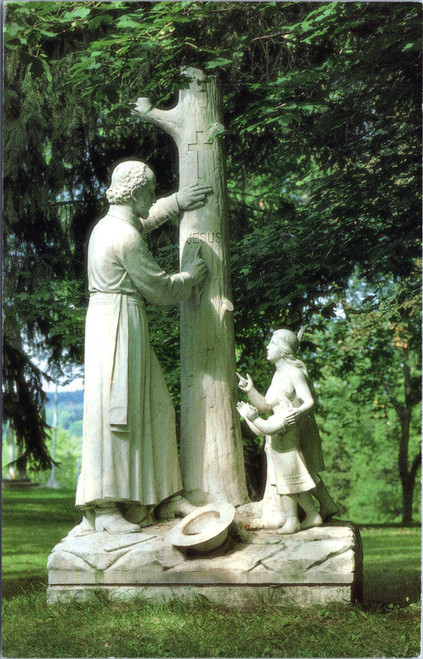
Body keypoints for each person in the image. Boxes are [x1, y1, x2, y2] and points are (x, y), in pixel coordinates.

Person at [72, 160, 212, 534]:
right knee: (115, 415)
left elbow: (144, 221)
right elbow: (160, 289)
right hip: (116, 326)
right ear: (134, 193)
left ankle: (159, 496)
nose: (152, 198)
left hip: (120, 322)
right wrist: (192, 277)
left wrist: (175, 202)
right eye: (150, 192)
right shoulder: (122, 236)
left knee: (155, 408)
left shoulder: (112, 226)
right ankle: (104, 508)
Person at [237, 329, 338, 533]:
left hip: (294, 427)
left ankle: (308, 513)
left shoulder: (294, 373)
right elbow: (266, 406)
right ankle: (318, 509)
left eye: (272, 344)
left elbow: (309, 400)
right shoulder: (278, 374)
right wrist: (250, 391)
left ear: (283, 350)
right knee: (296, 474)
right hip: (281, 427)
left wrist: (296, 414)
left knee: (299, 472)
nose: (267, 347)